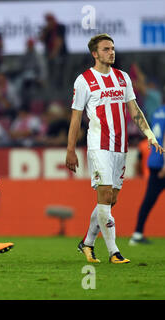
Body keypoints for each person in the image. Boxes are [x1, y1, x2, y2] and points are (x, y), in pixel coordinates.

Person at [66, 33, 164, 264]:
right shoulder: (84, 81)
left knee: (111, 200)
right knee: (105, 195)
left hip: (120, 147)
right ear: (95, 53)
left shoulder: (123, 78)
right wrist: (70, 148)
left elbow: (134, 110)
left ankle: (87, 243)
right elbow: (75, 118)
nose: (111, 52)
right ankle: (113, 252)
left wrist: (149, 134)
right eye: (106, 49)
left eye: (112, 48)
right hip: (98, 145)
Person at [130, 105, 165, 245]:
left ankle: (137, 233)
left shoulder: (158, 111)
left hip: (154, 160)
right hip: (161, 162)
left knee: (148, 200)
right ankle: (137, 234)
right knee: (149, 200)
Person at [39, 13, 68, 90]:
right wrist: (46, 31)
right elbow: (41, 39)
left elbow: (59, 41)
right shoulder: (46, 29)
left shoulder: (60, 27)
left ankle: (60, 88)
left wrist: (54, 53)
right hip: (49, 54)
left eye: (50, 20)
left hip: (60, 53)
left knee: (60, 72)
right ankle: (50, 87)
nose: (49, 22)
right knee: (49, 72)